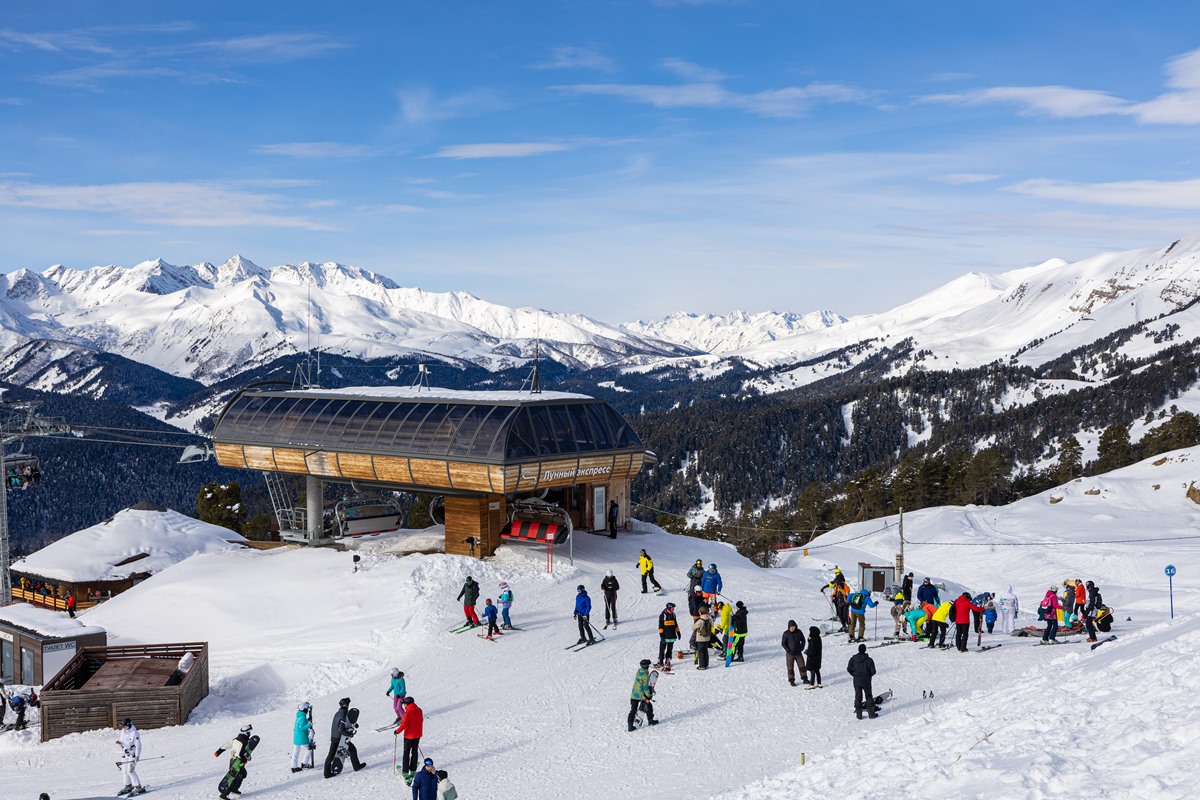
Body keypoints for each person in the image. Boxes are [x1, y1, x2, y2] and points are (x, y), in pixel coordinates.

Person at [324, 696, 365, 777]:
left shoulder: (338, 713)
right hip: (340, 739)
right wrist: (349, 734)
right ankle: (356, 766)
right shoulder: (343, 714)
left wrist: (354, 724)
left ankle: (327, 773)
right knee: (352, 750)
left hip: (334, 737)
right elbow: (341, 729)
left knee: (331, 755)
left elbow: (342, 723)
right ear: (346, 705)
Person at [214, 724, 254, 800]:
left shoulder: (236, 739)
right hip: (238, 762)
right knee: (234, 778)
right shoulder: (244, 742)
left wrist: (218, 752)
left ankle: (234, 789)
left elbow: (226, 745)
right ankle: (224, 795)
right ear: (247, 733)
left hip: (232, 760)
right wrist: (245, 759)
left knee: (241, 774)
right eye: (249, 732)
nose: (250, 733)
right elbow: (241, 753)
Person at [394, 697, 424, 782]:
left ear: (407, 704)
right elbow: (420, 720)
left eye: (404, 704)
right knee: (414, 752)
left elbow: (403, 725)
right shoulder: (419, 710)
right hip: (417, 734)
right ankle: (413, 769)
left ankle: (405, 771)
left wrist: (397, 731)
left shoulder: (408, 713)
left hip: (409, 736)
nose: (403, 705)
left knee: (406, 753)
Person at [846, 644, 878, 719]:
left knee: (858, 696)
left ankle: (859, 714)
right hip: (866, 681)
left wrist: (854, 674)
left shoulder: (853, 659)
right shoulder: (869, 660)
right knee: (869, 696)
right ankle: (871, 714)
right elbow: (873, 671)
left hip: (857, 680)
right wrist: (868, 675)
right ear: (865, 650)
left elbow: (849, 669)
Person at [115, 717, 144, 796]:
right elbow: (123, 741)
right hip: (125, 754)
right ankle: (128, 786)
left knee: (130, 771)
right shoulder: (123, 731)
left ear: (128, 725)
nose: (123, 727)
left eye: (124, 725)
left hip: (132, 755)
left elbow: (138, 745)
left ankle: (138, 787)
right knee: (124, 771)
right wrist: (119, 743)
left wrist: (137, 756)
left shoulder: (134, 733)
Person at [627, 658, 658, 731]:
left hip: (634, 694)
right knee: (649, 706)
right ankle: (650, 720)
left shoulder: (639, 671)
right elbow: (645, 687)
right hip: (642, 695)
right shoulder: (645, 676)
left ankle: (630, 725)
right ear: (647, 666)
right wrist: (648, 695)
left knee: (633, 710)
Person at [781, 620, 807, 686]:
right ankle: (792, 680)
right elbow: (783, 643)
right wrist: (788, 650)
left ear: (795, 627)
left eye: (793, 627)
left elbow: (803, 640)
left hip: (798, 653)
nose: (792, 628)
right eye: (791, 627)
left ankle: (804, 678)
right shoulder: (786, 633)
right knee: (790, 668)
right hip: (790, 654)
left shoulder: (799, 632)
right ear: (788, 627)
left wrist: (801, 648)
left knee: (802, 666)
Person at [656, 602, 680, 671]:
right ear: (669, 608)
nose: (673, 610)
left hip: (672, 636)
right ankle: (660, 661)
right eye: (672, 608)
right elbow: (660, 626)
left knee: (669, 649)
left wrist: (678, 632)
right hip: (665, 635)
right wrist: (661, 635)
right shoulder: (663, 616)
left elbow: (676, 625)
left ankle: (668, 660)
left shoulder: (673, 615)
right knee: (662, 649)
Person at [292, 702, 313, 772]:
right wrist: (309, 725)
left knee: (296, 752)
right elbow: (301, 727)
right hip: (302, 737)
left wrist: (307, 721)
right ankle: (304, 763)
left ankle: (294, 767)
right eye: (307, 709)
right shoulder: (303, 717)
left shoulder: (298, 717)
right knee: (309, 749)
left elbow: (299, 725)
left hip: (296, 737)